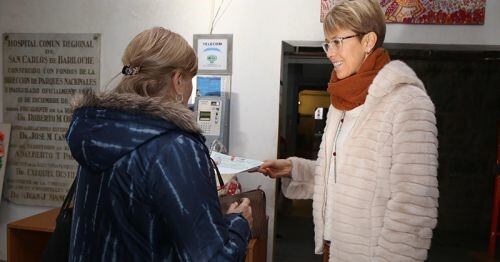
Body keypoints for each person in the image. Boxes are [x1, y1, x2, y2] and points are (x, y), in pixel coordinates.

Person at [257, 1, 438, 261]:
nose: (330, 52)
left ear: (368, 41)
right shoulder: (341, 103)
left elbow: (413, 208)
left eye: (338, 41)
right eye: (327, 43)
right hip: (334, 248)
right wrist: (292, 168)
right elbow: (340, 176)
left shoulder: (408, 103)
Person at [66, 27, 252, 261]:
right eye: (190, 79)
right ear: (177, 81)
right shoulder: (173, 147)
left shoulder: (98, 131)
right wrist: (238, 224)